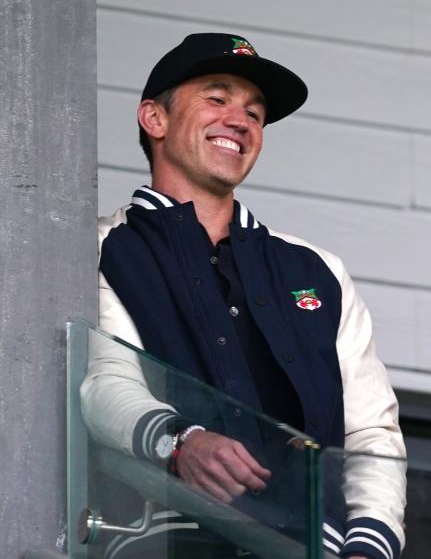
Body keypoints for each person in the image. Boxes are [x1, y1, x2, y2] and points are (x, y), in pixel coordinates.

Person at [83, 33, 406, 559]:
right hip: (166, 542)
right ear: (154, 119)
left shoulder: (317, 269)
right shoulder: (97, 246)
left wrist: (369, 543)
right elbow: (104, 382)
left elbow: (371, 430)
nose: (241, 121)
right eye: (217, 98)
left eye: (255, 114)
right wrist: (179, 442)